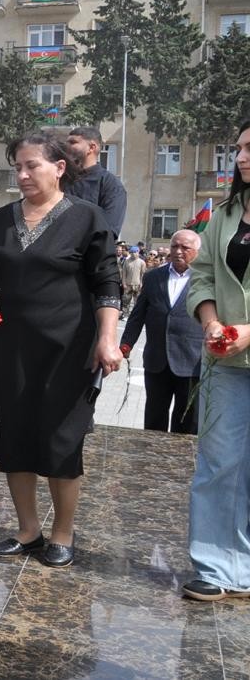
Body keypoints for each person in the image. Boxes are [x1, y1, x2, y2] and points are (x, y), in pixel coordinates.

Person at [0, 132, 122, 569]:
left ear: (59, 168)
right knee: (14, 435)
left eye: (31, 165)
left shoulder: (87, 218)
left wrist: (106, 338)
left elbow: (107, 283)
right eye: (17, 166)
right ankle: (27, 528)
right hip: (14, 345)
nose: (21, 174)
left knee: (61, 439)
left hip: (69, 346)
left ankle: (62, 532)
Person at [184, 120, 250, 601]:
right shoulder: (226, 215)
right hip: (225, 362)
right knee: (218, 462)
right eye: (241, 148)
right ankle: (213, 566)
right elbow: (203, 275)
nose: (242, 156)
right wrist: (210, 321)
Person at [119, 230, 203, 434]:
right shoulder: (153, 276)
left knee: (187, 422)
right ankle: (149, 460)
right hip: (157, 361)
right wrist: (125, 345)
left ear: (198, 252)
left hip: (191, 363)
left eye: (185, 247)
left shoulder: (206, 280)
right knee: (154, 418)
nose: (178, 251)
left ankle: (180, 464)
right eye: (175, 246)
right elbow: (137, 315)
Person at [66, 125, 127, 239]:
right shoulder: (60, 180)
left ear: (91, 147)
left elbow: (108, 232)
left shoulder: (111, 186)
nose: (66, 146)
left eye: (73, 142)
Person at [121, 246, 145, 314]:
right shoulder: (127, 261)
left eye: (134, 252)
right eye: (131, 252)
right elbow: (124, 273)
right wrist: (124, 283)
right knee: (126, 300)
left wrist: (141, 283)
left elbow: (142, 274)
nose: (133, 254)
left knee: (137, 301)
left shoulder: (142, 262)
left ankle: (136, 314)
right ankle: (125, 314)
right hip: (128, 284)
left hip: (137, 284)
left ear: (138, 252)